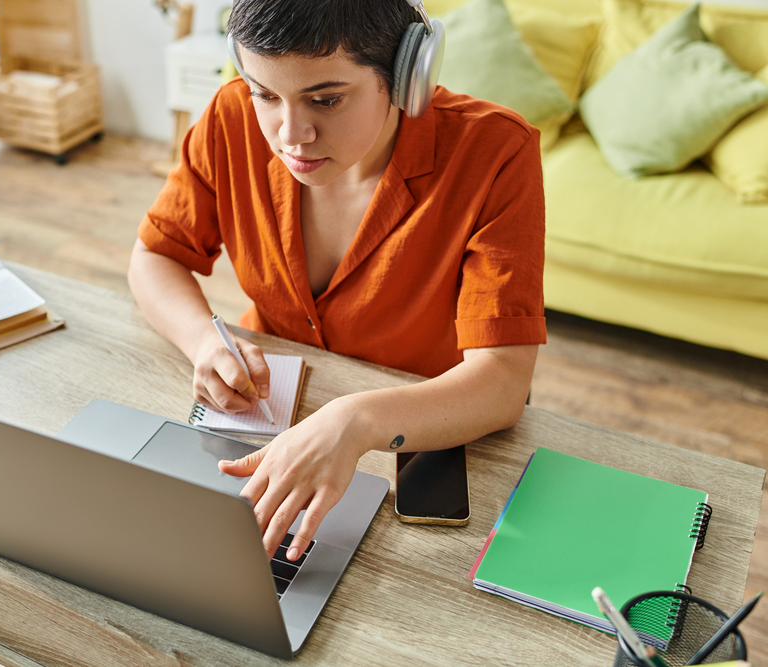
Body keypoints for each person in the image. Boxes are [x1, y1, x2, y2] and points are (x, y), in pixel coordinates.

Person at [128, 0, 546, 565]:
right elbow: (154, 256)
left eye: (326, 99)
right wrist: (203, 340)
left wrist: (355, 421)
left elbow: (502, 382)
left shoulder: (495, 153)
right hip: (267, 421)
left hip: (416, 440)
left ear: (406, 76)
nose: (290, 134)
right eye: (265, 94)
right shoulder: (229, 117)